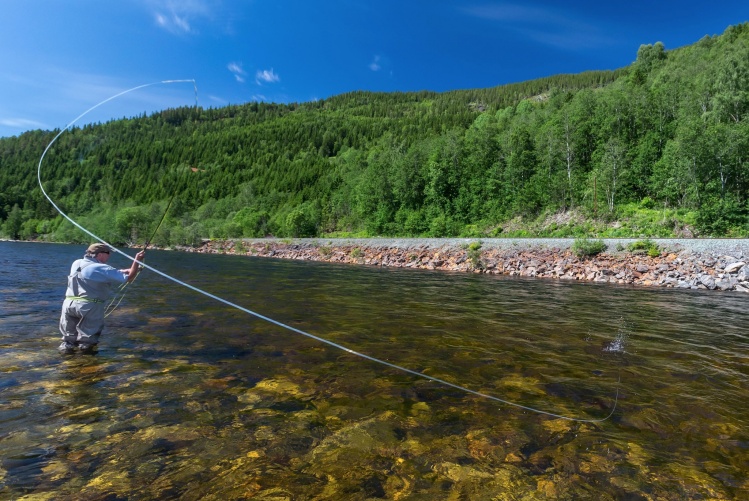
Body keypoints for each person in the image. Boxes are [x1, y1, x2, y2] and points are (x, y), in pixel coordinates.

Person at [59, 243, 145, 354]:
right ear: (100, 255)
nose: (109, 256)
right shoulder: (102, 268)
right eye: (108, 253)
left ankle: (67, 363)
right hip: (88, 307)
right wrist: (137, 260)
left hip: (68, 305)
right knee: (87, 342)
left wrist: (119, 271)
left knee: (68, 340)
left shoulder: (76, 263)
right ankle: (86, 366)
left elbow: (93, 272)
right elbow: (128, 278)